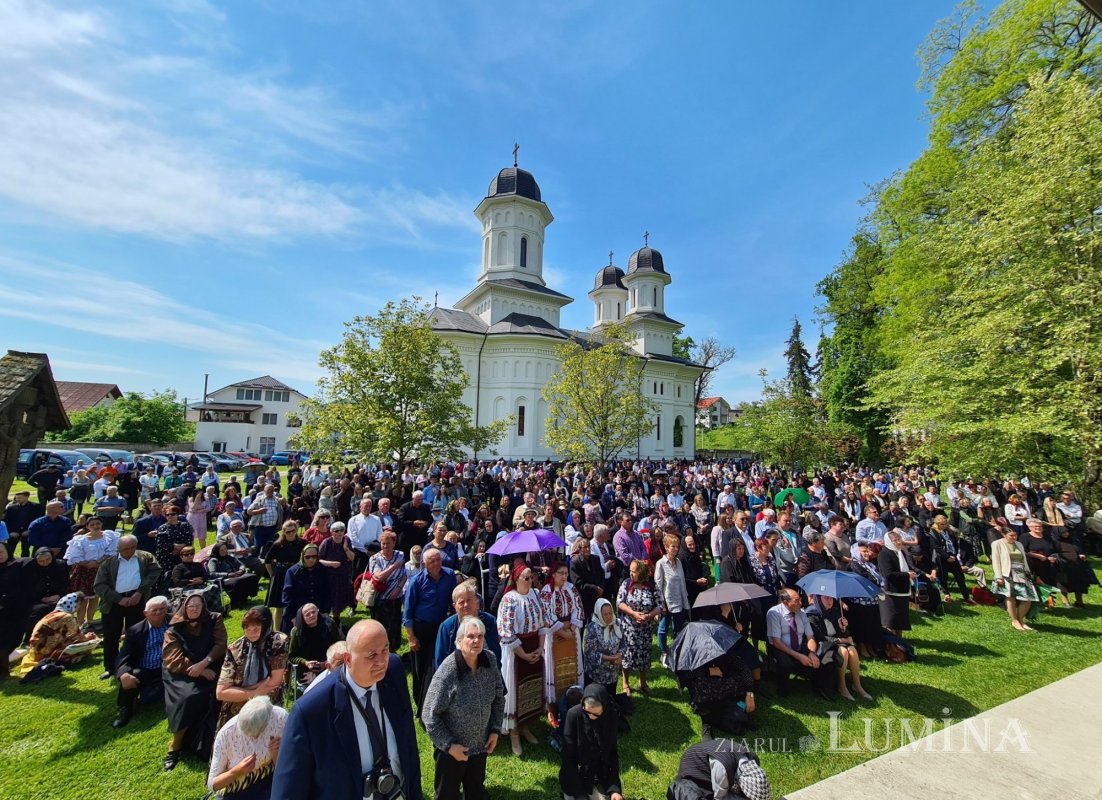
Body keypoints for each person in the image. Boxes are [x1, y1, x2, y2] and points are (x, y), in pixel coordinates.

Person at [271, 619, 424, 800]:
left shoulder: (393, 670)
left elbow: (408, 742)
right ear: (348, 659)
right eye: (371, 655)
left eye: (385, 650)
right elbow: (287, 792)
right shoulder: (311, 710)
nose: (381, 661)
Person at [422, 616, 505, 800]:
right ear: (459, 641)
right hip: (452, 750)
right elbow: (429, 715)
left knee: (476, 792)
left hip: (480, 746)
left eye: (480, 636)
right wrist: (449, 746)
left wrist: (495, 730)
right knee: (447, 795)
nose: (476, 640)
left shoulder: (490, 660)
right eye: (471, 636)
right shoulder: (448, 670)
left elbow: (499, 698)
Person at [162, 593, 228, 770]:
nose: (194, 609)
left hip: (210, 664)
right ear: (185, 607)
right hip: (182, 671)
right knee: (189, 697)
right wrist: (199, 670)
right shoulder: (173, 630)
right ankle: (175, 745)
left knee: (222, 691)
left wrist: (205, 663)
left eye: (198, 605)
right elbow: (173, 659)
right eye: (191, 606)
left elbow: (221, 644)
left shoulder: (214, 619)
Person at [497, 564, 551, 755]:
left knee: (532, 687)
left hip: (535, 646)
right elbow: (506, 631)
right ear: (516, 579)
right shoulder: (509, 599)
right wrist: (524, 654)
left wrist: (540, 648)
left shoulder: (535, 594)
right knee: (514, 690)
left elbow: (544, 621)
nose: (530, 581)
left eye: (532, 577)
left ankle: (525, 725)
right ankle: (514, 732)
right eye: (526, 578)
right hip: (516, 651)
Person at [403, 547, 458, 718]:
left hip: (440, 627)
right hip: (421, 628)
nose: (436, 563)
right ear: (424, 563)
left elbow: (453, 601)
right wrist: (411, 637)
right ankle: (419, 705)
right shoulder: (417, 581)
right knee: (419, 667)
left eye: (438, 559)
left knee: (437, 665)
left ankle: (437, 702)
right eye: (432, 561)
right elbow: (407, 612)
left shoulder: (449, 575)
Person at [216, 606, 289, 730]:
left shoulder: (278, 641)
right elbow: (221, 692)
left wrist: (239, 689)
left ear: (265, 626)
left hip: (268, 700)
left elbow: (274, 682)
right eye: (247, 628)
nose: (251, 632)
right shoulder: (235, 649)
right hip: (237, 705)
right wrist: (254, 692)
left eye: (256, 628)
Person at [208, 695, 288, 800]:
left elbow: (289, 769)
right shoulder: (226, 734)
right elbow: (213, 785)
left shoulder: (280, 718)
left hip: (270, 781)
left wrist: (276, 754)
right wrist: (237, 770)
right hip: (237, 789)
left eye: (256, 735)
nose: (253, 739)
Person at [112, 595, 170, 728]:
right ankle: (126, 709)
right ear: (145, 613)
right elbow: (123, 656)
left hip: (169, 667)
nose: (158, 612)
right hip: (146, 669)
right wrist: (123, 674)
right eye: (154, 610)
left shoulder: (174, 622)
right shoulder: (135, 631)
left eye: (162, 609)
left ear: (167, 609)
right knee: (131, 676)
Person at [559, 684, 624, 800]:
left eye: (596, 714)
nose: (591, 717)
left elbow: (612, 753)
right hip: (576, 774)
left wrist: (614, 789)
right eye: (587, 712)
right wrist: (579, 794)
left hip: (600, 774)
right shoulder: (573, 715)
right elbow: (568, 758)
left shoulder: (611, 716)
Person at [805, 594, 872, 701]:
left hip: (837, 643)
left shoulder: (836, 611)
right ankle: (842, 686)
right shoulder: (811, 614)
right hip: (824, 646)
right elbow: (820, 637)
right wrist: (842, 640)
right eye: (825, 597)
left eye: (831, 598)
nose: (829, 600)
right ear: (818, 599)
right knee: (843, 651)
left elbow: (846, 635)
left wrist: (843, 628)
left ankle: (857, 685)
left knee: (852, 650)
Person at [766, 588, 829, 698]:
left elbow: (810, 637)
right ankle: (782, 689)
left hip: (799, 646)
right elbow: (776, 642)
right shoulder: (774, 613)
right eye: (796, 601)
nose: (800, 603)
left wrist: (812, 653)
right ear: (785, 602)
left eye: (800, 599)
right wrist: (799, 656)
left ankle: (820, 687)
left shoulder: (802, 613)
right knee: (785, 662)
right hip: (780, 647)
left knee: (820, 655)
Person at [18, 592, 98, 677]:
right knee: (84, 648)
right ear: (74, 604)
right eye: (79, 605)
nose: (79, 607)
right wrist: (89, 638)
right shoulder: (67, 617)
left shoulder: (52, 614)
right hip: (45, 653)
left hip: (35, 651)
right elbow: (78, 637)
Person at [617, 559, 664, 697]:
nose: (631, 573)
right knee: (627, 655)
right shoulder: (627, 584)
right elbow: (619, 602)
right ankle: (625, 684)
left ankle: (642, 683)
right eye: (630, 571)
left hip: (645, 628)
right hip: (629, 627)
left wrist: (649, 615)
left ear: (642, 572)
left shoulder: (652, 586)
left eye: (634, 571)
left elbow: (660, 605)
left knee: (644, 654)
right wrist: (633, 614)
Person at [669, 740, 772, 800]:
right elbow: (720, 798)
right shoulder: (722, 771)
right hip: (694, 767)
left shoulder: (752, 759)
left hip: (714, 759)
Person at [434, 580, 501, 669]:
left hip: (486, 671)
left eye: (469, 600)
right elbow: (440, 662)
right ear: (455, 606)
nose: (466, 605)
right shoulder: (446, 627)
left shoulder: (489, 621)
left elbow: (496, 652)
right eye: (461, 602)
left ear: (477, 602)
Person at [63, 517, 117, 629]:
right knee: (83, 598)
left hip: (100, 569)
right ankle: (80, 623)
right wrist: (88, 564)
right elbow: (74, 556)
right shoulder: (80, 540)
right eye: (92, 525)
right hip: (84, 570)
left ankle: (90, 621)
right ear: (87, 527)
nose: (96, 526)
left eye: (98, 523)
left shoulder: (109, 536)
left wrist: (98, 562)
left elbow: (111, 552)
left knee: (95, 597)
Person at [991, 524, 1039, 631]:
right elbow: (996, 560)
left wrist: (1028, 574)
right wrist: (998, 576)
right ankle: (1014, 621)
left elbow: (1024, 560)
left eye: (1015, 535)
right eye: (1011, 535)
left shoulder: (1019, 544)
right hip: (1007, 573)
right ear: (1004, 535)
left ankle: (1021, 620)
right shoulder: (997, 544)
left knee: (1028, 598)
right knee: (1010, 597)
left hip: (1021, 573)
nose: (1014, 537)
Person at [263, 520, 307, 632]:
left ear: (296, 530)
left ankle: (299, 629)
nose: (291, 533)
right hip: (280, 575)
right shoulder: (277, 545)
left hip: (297, 574)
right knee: (279, 606)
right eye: (288, 532)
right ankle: (277, 631)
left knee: (298, 603)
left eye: (293, 531)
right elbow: (267, 561)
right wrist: (272, 575)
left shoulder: (302, 543)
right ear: (284, 532)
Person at [368, 529, 407, 653]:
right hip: (380, 599)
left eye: (388, 543)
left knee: (394, 627)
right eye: (383, 543)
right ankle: (379, 651)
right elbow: (379, 576)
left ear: (394, 543)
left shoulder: (400, 555)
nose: (385, 546)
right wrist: (394, 566)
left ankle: (393, 652)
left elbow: (404, 575)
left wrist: (398, 588)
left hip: (396, 597)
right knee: (380, 627)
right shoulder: (375, 558)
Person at [281, 544, 332, 635]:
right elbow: (287, 597)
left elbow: (327, 593)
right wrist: (293, 617)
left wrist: (325, 612)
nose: (311, 560)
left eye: (314, 557)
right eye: (307, 557)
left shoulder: (323, 570)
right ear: (302, 556)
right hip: (296, 614)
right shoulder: (293, 572)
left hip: (317, 614)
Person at [655, 534, 691, 663]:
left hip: (680, 601)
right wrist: (661, 604)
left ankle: (676, 652)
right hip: (667, 602)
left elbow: (682, 583)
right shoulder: (661, 564)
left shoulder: (679, 562)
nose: (676, 549)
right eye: (673, 546)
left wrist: (685, 602)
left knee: (678, 629)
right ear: (666, 547)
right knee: (663, 629)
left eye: (677, 546)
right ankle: (663, 652)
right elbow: (658, 586)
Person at [288, 602, 343, 685]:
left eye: (313, 612)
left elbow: (338, 646)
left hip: (330, 664)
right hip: (307, 669)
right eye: (307, 614)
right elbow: (292, 657)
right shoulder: (297, 632)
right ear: (302, 618)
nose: (311, 615)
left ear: (318, 611)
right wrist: (305, 663)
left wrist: (326, 663)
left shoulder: (329, 625)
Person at [582, 598, 625, 695]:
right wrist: (609, 658)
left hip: (612, 674)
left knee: (610, 699)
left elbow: (623, 644)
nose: (609, 617)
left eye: (610, 613)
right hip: (596, 675)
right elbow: (589, 653)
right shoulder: (592, 628)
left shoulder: (617, 624)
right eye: (605, 614)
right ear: (598, 614)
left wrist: (620, 655)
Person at [877, 531, 914, 635]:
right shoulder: (884, 554)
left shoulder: (900, 552)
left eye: (899, 539)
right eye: (895, 540)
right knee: (891, 620)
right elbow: (888, 574)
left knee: (901, 620)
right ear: (889, 541)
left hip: (902, 590)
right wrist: (907, 575)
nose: (898, 542)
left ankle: (899, 640)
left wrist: (911, 573)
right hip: (891, 592)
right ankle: (892, 641)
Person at [207, 541, 262, 608]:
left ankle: (244, 597)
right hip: (224, 579)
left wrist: (241, 570)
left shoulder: (230, 557)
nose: (224, 551)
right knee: (237, 581)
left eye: (225, 549)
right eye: (222, 550)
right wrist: (228, 574)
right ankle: (236, 601)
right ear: (217, 551)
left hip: (236, 575)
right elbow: (212, 573)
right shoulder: (213, 560)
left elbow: (241, 564)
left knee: (252, 576)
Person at [154, 505, 195, 575]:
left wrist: (181, 548)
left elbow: (189, 540)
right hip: (166, 557)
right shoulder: (162, 528)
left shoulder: (185, 526)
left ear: (177, 514)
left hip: (183, 556)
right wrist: (174, 546)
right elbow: (160, 543)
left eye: (172, 514)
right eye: (167, 515)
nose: (170, 516)